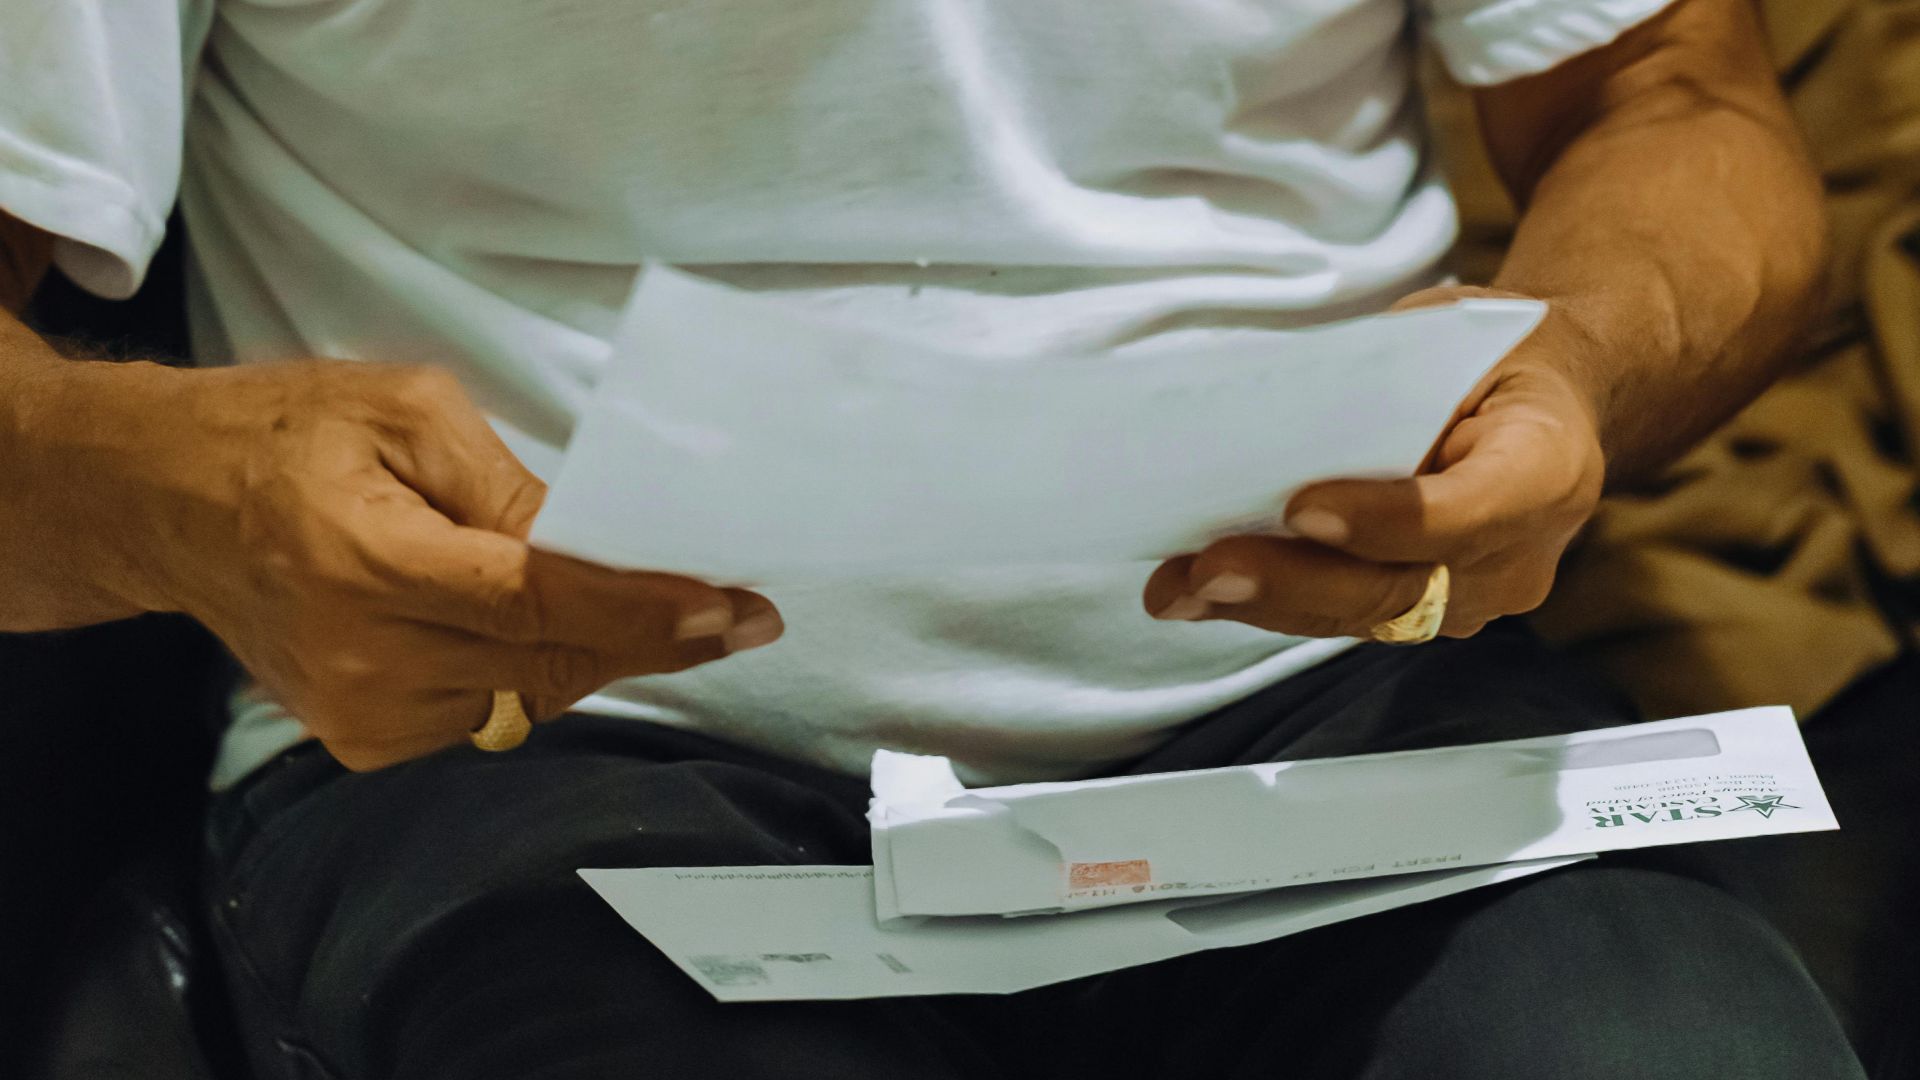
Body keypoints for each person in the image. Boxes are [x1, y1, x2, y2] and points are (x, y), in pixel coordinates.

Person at [0, 0, 1866, 1076]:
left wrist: (1581, 364)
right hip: (539, 743)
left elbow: (1673, 97)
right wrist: (175, 490)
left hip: (1332, 701)